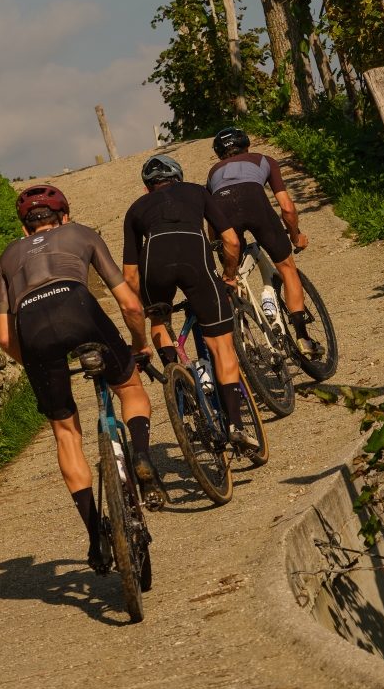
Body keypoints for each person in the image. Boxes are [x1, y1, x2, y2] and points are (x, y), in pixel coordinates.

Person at [0, 181, 158, 574]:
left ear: (23, 228)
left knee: (66, 433)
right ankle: (141, 456)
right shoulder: (81, 233)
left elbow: (4, 338)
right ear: (64, 216)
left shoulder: (8, 256)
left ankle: (95, 537)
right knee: (129, 387)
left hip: (31, 325)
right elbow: (129, 303)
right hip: (77, 305)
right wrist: (139, 344)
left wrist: (37, 364)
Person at [121, 153, 260, 453]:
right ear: (179, 178)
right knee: (221, 346)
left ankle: (178, 376)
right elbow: (232, 241)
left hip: (153, 260)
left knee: (159, 318)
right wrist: (229, 275)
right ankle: (236, 425)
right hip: (194, 254)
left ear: (147, 188)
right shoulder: (197, 191)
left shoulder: (136, 208)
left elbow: (129, 275)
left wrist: (144, 304)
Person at [203, 126, 315, 351]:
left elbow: (212, 224)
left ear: (219, 154)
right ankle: (303, 339)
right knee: (287, 268)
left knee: (232, 277)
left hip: (223, 211)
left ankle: (244, 338)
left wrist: (222, 253)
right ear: (247, 146)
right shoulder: (265, 160)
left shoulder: (213, 172)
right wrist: (295, 237)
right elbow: (287, 207)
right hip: (255, 204)